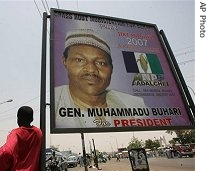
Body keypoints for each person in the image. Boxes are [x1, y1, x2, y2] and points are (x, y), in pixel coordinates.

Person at [55, 29, 148, 128]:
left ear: (111, 68)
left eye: (101, 63)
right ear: (65, 61)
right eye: (79, 60)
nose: (91, 70)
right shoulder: (55, 102)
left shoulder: (136, 104)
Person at [0, 106, 42, 171]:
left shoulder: (16, 133)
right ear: (32, 119)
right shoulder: (38, 133)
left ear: (18, 119)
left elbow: (6, 152)